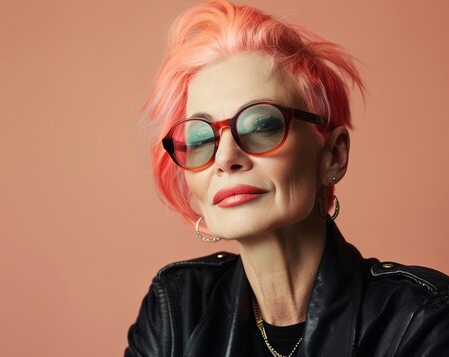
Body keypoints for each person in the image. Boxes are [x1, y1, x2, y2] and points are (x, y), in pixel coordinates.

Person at [125, 1, 449, 356]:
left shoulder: (422, 319)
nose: (226, 157)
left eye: (262, 125)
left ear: (333, 155)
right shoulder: (175, 309)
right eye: (202, 139)